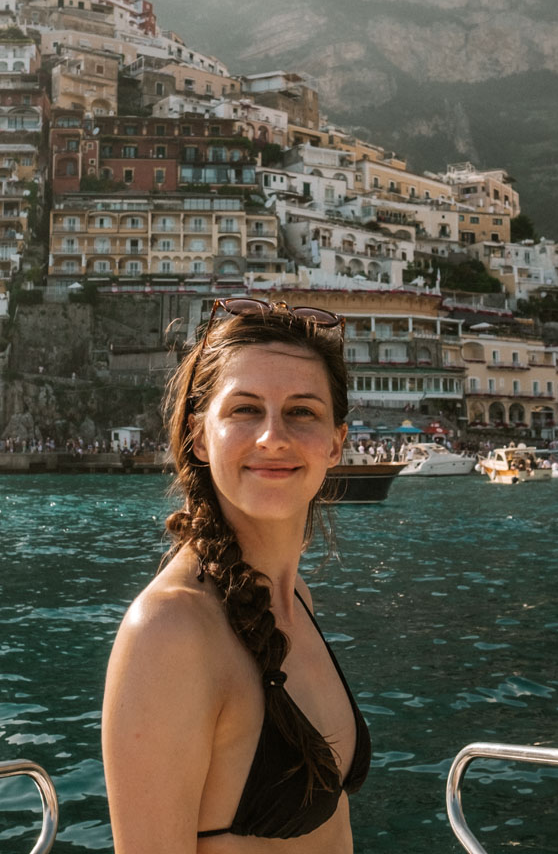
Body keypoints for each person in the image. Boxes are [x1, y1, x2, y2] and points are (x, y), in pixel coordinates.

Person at [102, 298, 369, 851]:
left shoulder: (296, 598)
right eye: (245, 409)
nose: (274, 436)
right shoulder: (169, 631)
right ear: (201, 437)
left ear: (336, 442)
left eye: (302, 412)